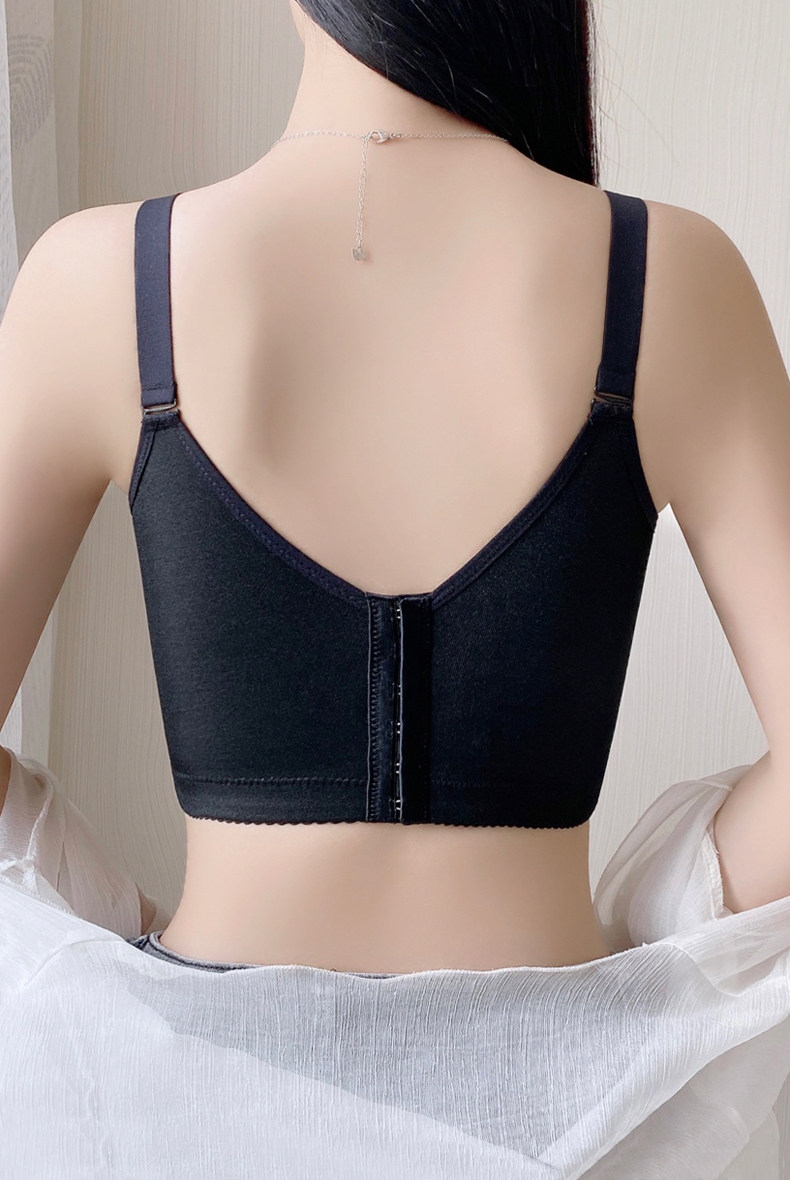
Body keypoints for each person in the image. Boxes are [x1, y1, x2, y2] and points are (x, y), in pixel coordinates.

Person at [1, 2, 789, 1176]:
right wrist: (662, 934)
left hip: (193, 1112)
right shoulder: (667, 276)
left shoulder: (100, 279)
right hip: (567, 1123)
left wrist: (119, 951)